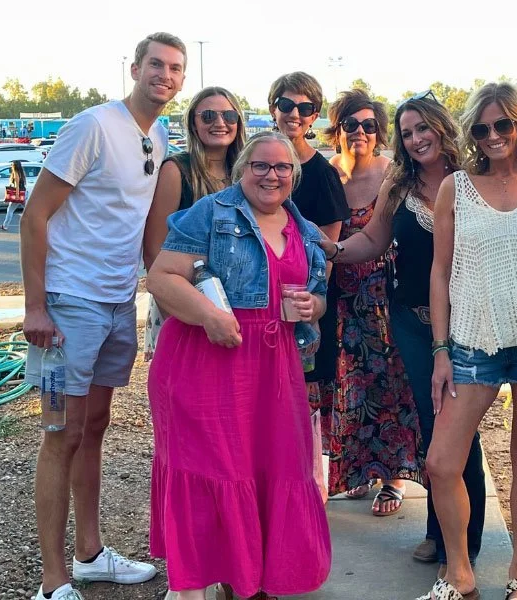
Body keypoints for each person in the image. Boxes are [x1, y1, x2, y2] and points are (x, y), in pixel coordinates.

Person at [20, 32, 186, 600]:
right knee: (58, 431)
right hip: (68, 305)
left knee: (94, 428)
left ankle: (89, 554)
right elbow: (34, 216)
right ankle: (51, 580)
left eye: (175, 69)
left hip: (118, 303)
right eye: (156, 65)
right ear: (135, 69)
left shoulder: (158, 134)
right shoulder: (92, 125)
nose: (165, 75)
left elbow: (141, 227)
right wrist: (36, 306)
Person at [146, 131, 331, 600]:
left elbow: (319, 295)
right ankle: (192, 584)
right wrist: (209, 316)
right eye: (261, 166)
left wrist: (313, 305)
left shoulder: (301, 227)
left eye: (282, 167)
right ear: (241, 170)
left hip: (274, 368)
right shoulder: (211, 213)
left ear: (294, 175)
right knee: (213, 467)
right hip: (205, 362)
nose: (272, 175)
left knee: (267, 467)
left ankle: (249, 577)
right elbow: (161, 277)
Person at [318, 91, 485, 567]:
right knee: (435, 426)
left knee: (464, 430)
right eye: (407, 133)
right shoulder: (399, 184)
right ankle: (441, 531)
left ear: (442, 127)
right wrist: (323, 247)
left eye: (423, 129)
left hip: (472, 322)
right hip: (413, 322)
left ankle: (466, 538)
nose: (415, 140)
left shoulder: (477, 178)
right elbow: (372, 240)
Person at [421, 82, 517, 600]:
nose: (493, 135)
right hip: (472, 341)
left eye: (503, 124)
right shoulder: (455, 187)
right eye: (481, 128)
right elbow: (440, 272)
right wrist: (440, 349)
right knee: (441, 462)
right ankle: (458, 572)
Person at [320, 88, 424, 515]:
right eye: (351, 124)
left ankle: (393, 478)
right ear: (337, 129)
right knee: (346, 386)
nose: (360, 132)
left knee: (387, 385)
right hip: (336, 295)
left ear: (379, 132)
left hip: (381, 296)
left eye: (368, 125)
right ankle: (357, 471)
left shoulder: (392, 174)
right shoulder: (326, 175)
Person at [267, 72, 349, 472]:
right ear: (273, 108)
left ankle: (304, 479)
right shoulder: (256, 163)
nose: (294, 114)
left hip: (301, 303)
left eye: (304, 108)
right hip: (256, 303)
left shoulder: (321, 173)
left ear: (314, 115)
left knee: (304, 394)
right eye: (286, 105)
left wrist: (312, 307)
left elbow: (328, 251)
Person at [142, 86, 246, 360]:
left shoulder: (247, 174)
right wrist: (175, 311)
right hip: (183, 304)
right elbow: (154, 249)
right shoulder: (176, 171)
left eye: (229, 116)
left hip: (236, 303)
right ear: (193, 123)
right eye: (208, 115)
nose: (220, 123)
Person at [0, 160, 26, 230]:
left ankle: (5, 226)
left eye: (12, 165)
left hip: (18, 194)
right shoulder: (21, 173)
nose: (11, 166)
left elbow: (17, 186)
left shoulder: (16, 173)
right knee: (28, 209)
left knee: (10, 210)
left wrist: (17, 195)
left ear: (14, 166)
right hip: (24, 193)